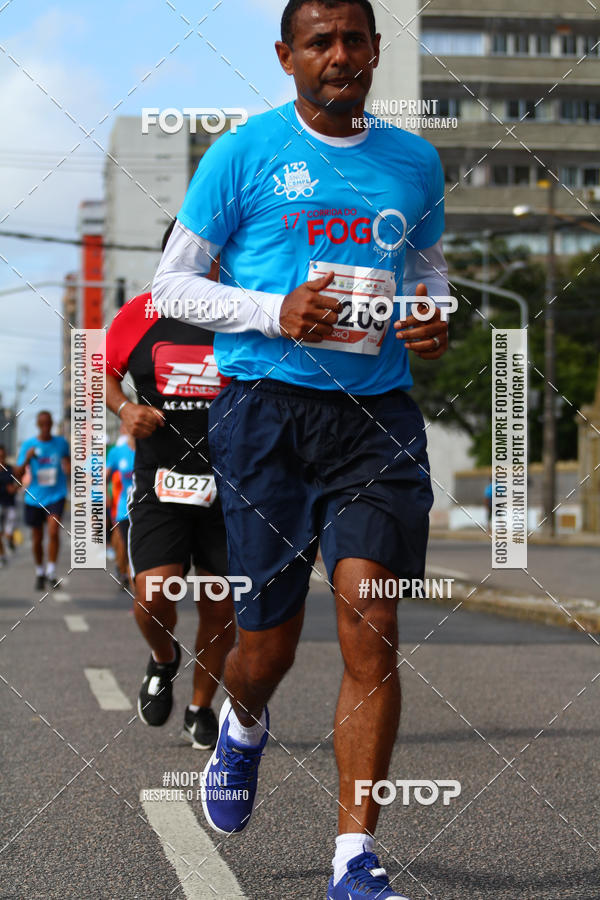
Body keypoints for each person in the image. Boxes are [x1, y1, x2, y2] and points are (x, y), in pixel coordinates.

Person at [152, 1, 449, 895]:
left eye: (354, 39)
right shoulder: (243, 153)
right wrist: (269, 311)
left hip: (377, 418)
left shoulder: (415, 161)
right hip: (264, 416)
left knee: (374, 619)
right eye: (320, 41)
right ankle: (243, 725)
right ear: (287, 56)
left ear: (375, 52)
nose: (339, 55)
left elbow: (429, 275)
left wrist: (434, 317)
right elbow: (175, 286)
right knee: (264, 647)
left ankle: (353, 859)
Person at [105, 223, 234, 750]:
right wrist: (125, 408)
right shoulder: (140, 313)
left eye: (214, 255)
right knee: (152, 594)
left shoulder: (242, 311)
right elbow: (99, 373)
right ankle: (163, 658)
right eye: (193, 253)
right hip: (161, 485)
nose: (205, 264)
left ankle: (202, 705)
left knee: (221, 607)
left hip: (233, 488)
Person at [14, 411, 70, 591]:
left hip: (56, 494)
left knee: (54, 531)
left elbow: (68, 463)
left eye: (48, 424)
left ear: (52, 424)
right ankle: (40, 572)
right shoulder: (28, 445)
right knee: (37, 538)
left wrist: (69, 468)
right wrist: (28, 459)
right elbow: (18, 474)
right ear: (38, 425)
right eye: (43, 424)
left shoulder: (61, 443)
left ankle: (52, 572)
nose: (46, 427)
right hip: (34, 497)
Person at [106, 426, 135, 590]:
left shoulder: (150, 448)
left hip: (146, 508)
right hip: (124, 506)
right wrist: (106, 496)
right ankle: (123, 572)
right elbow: (106, 476)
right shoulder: (117, 452)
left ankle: (128, 572)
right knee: (125, 543)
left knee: (138, 548)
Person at [0, 444, 18, 566]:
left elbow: (19, 483)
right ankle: (2, 555)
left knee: (8, 532)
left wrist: (15, 488)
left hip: (10, 504)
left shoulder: (11, 469)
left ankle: (10, 541)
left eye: (2, 456)